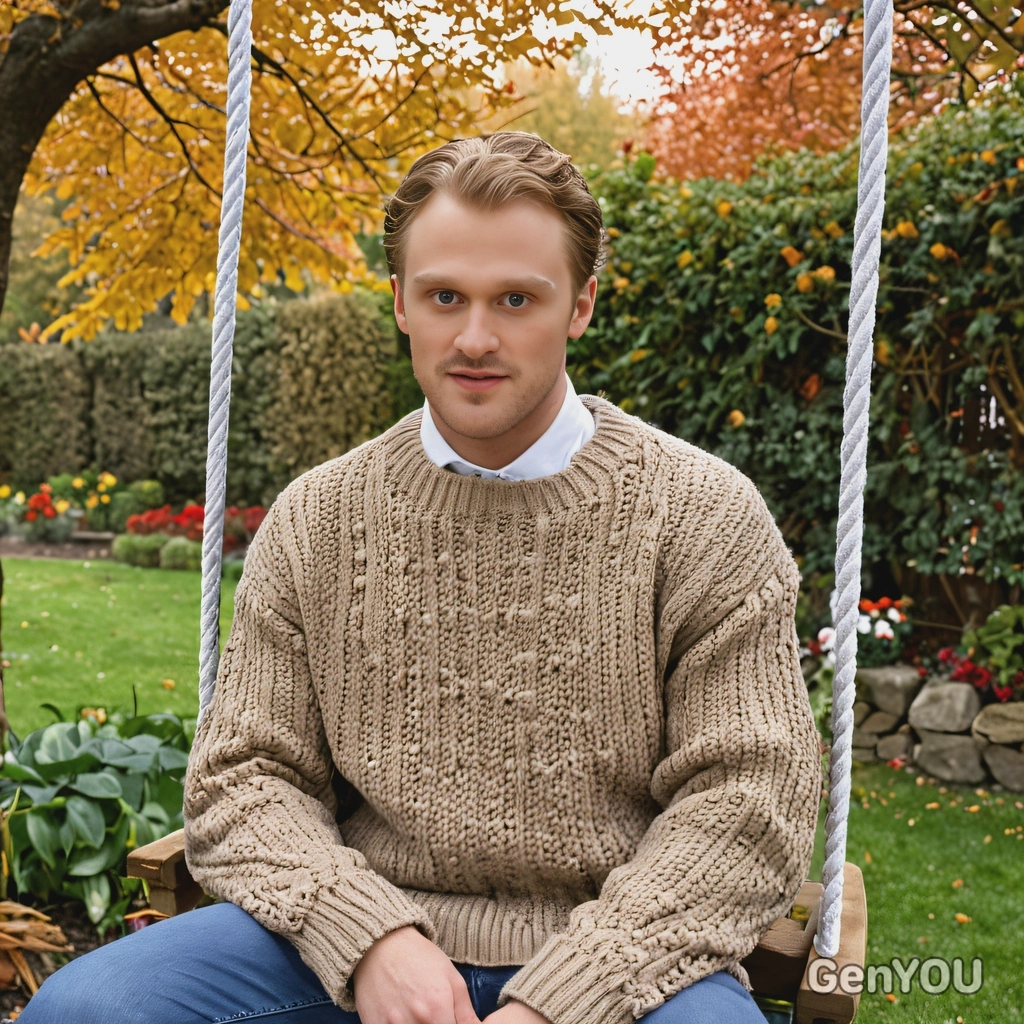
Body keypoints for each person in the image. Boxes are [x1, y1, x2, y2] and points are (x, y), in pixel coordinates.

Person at [19, 131, 822, 1024]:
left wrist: (565, 997)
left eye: (516, 298)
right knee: (85, 1010)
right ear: (401, 301)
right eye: (445, 296)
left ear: (582, 304)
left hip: (623, 960)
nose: (475, 337)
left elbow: (749, 803)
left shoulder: (704, 516)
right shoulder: (318, 518)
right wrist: (369, 939)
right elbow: (243, 776)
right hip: (349, 944)